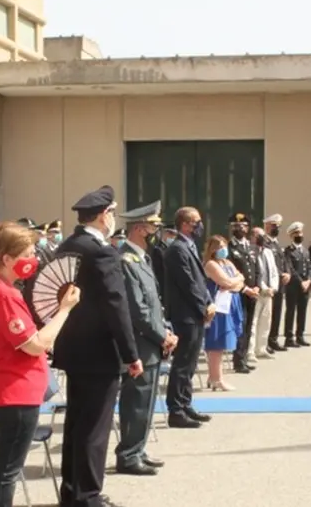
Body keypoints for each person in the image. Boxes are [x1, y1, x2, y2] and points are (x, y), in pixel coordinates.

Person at [0, 221, 79, 507]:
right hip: (13, 392)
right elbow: (34, 344)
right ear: (7, 259)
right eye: (27, 255)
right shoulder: (1, 294)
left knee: (5, 469)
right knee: (7, 471)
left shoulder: (0, 289)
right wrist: (65, 311)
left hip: (13, 390)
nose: (32, 261)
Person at [51, 185, 142, 507]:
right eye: (111, 214)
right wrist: (131, 353)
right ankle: (87, 495)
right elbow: (115, 304)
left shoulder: (68, 244)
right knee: (95, 427)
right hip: (100, 352)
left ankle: (72, 491)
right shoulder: (102, 251)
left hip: (74, 348)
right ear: (104, 216)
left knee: (77, 423)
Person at [114, 201, 176, 476]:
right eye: (153, 226)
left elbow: (154, 303)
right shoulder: (126, 260)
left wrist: (165, 330)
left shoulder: (141, 257)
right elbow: (138, 310)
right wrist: (162, 335)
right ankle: (128, 455)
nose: (156, 231)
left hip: (151, 339)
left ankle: (137, 448)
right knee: (136, 402)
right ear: (140, 229)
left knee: (147, 401)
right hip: (141, 341)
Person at [162, 207, 216, 429]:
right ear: (185, 224)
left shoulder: (188, 246)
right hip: (185, 315)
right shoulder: (177, 249)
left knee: (191, 363)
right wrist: (203, 306)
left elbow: (199, 281)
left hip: (195, 313)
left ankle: (185, 404)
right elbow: (188, 283)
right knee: (182, 364)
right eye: (196, 222)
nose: (199, 226)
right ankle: (176, 410)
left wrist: (209, 302)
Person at [201, 235, 243, 391]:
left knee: (225, 342)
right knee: (216, 343)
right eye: (219, 247)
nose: (223, 250)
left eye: (224, 246)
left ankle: (214, 377)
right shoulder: (210, 264)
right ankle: (216, 378)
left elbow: (240, 278)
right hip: (218, 307)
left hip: (230, 304)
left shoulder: (227, 263)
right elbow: (225, 282)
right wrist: (234, 282)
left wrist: (234, 282)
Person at [225, 213, 260, 374]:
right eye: (236, 226)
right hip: (239, 293)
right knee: (240, 325)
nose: (240, 229)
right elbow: (230, 272)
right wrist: (246, 289)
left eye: (243, 226)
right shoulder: (229, 248)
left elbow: (256, 270)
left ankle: (244, 357)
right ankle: (238, 360)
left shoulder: (252, 247)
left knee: (248, 326)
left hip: (253, 293)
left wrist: (257, 287)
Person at [249, 227, 281, 356]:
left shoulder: (268, 252)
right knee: (253, 322)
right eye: (259, 235)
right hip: (257, 291)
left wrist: (273, 287)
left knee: (266, 321)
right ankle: (250, 351)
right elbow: (256, 273)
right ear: (253, 236)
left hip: (269, 292)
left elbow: (273, 271)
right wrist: (263, 287)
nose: (263, 238)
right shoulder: (250, 251)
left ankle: (261, 348)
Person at [261, 214, 292, 349]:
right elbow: (269, 265)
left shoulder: (276, 243)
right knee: (269, 313)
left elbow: (284, 261)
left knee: (277, 312)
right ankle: (266, 341)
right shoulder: (264, 243)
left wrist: (288, 274)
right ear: (267, 226)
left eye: (278, 226)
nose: (276, 229)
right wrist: (281, 274)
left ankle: (273, 339)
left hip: (280, 283)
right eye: (274, 226)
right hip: (270, 283)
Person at [283, 222, 311, 348]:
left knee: (302, 311)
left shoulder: (305, 251)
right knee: (291, 311)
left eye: (300, 233)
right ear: (291, 235)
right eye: (296, 233)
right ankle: (289, 337)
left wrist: (309, 280)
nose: (299, 235)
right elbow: (290, 268)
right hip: (293, 286)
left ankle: (300, 335)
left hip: (305, 286)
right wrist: (301, 281)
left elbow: (310, 267)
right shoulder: (288, 251)